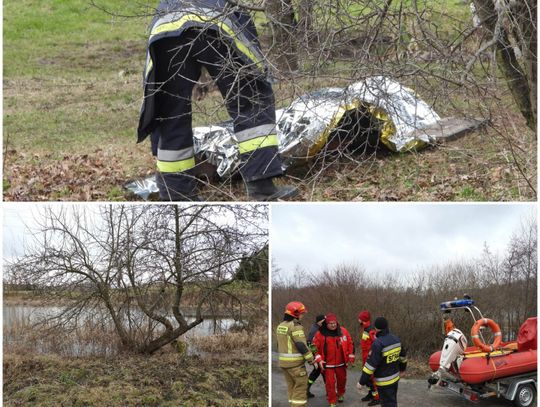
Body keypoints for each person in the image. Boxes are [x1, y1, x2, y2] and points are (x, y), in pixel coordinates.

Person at [137, 0, 298, 201]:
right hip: (215, 22)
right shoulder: (233, 5)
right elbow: (249, 53)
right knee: (250, 97)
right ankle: (261, 185)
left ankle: (177, 196)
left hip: (165, 32)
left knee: (170, 113)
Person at [276, 301, 323, 407]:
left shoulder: (280, 326)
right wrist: (311, 360)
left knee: (292, 388)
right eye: (301, 313)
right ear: (295, 314)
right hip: (296, 365)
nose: (302, 315)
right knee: (301, 390)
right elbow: (301, 345)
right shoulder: (295, 327)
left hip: (284, 364)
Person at [357, 317, 407, 407]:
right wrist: (402, 370)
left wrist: (361, 382)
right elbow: (403, 357)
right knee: (392, 401)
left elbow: (370, 366)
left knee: (387, 404)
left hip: (384, 381)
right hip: (395, 378)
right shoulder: (396, 339)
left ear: (376, 328)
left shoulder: (378, 343)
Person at [313, 313, 355, 407]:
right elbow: (313, 347)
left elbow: (350, 343)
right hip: (327, 364)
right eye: (330, 323)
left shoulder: (343, 331)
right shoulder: (320, 333)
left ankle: (340, 394)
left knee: (342, 380)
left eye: (334, 323)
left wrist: (351, 356)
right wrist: (318, 358)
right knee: (330, 384)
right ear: (326, 324)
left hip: (341, 363)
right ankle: (332, 401)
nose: (333, 325)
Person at [358, 310, 380, 405]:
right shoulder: (365, 328)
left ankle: (377, 397)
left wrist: (372, 355)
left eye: (359, 318)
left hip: (370, 359)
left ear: (362, 320)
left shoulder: (370, 330)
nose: (358, 320)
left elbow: (377, 344)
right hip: (365, 357)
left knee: (371, 378)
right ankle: (371, 394)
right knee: (367, 379)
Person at [306, 314, 326, 398]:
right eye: (323, 321)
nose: (325, 322)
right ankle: (330, 391)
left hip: (320, 355)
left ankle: (306, 389)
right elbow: (310, 343)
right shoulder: (315, 330)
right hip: (317, 355)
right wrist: (315, 356)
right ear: (319, 321)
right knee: (322, 371)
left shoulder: (319, 328)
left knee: (318, 372)